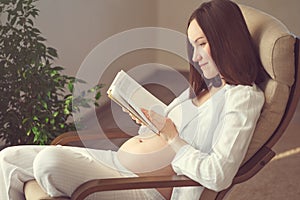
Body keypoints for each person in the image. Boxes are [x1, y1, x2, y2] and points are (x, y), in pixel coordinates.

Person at [0, 0, 265, 199]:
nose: (195, 57)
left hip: (141, 188)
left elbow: (218, 174)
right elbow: (175, 129)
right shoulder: (207, 87)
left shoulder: (242, 98)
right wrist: (148, 121)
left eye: (202, 43)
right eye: (192, 46)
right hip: (116, 163)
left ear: (227, 41)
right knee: (7, 159)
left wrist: (171, 137)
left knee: (48, 163)